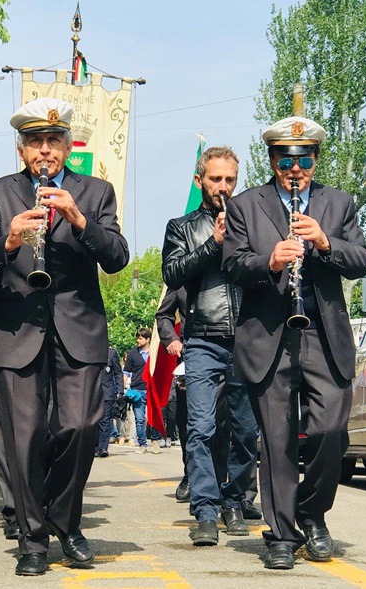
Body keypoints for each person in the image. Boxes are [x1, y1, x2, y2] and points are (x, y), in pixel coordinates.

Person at [0, 96, 129, 576]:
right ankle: (34, 539)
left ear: (67, 147)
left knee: (79, 429)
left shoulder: (95, 193)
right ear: (22, 151)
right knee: (24, 439)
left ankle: (65, 519)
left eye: (53, 142)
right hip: (18, 331)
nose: (44, 151)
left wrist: (79, 221)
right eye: (35, 142)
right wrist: (10, 239)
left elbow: (117, 255)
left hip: (78, 330)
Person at [222, 117, 366, 569]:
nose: (295, 169)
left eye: (303, 160)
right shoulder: (246, 205)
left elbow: (362, 259)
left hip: (323, 337)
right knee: (278, 438)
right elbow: (231, 264)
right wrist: (269, 260)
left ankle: (313, 514)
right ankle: (282, 533)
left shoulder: (339, 203)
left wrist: (326, 243)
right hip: (269, 335)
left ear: (315, 161)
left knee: (329, 431)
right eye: (285, 160)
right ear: (271, 160)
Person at [162, 146, 259, 547]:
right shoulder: (181, 226)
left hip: (249, 339)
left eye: (230, 180)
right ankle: (205, 509)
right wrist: (213, 242)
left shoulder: (253, 222)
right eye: (215, 179)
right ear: (200, 179)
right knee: (201, 428)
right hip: (202, 337)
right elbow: (172, 272)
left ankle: (234, 501)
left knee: (246, 431)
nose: (223, 187)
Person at [155, 285, 189, 501]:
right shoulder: (183, 274)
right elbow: (164, 314)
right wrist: (171, 339)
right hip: (193, 356)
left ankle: (241, 492)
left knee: (242, 428)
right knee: (190, 424)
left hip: (238, 354)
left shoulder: (240, 260)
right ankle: (191, 474)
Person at [123, 327, 158, 454]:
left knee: (154, 417)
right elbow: (126, 372)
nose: (138, 340)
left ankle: (155, 440)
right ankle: (142, 444)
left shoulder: (155, 353)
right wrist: (123, 389)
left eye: (140, 338)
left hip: (153, 389)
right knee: (139, 419)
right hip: (137, 389)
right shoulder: (132, 354)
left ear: (148, 339)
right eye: (137, 338)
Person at [96, 345, 124, 458]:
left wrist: (120, 392)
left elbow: (118, 373)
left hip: (107, 392)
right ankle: (94, 446)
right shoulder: (90, 349)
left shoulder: (111, 353)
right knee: (93, 421)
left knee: (104, 420)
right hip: (92, 392)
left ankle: (103, 447)